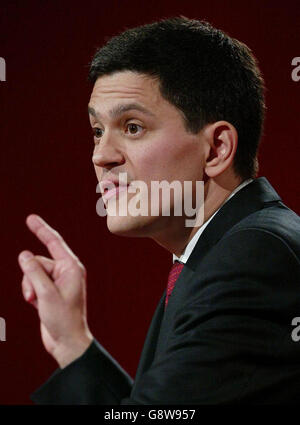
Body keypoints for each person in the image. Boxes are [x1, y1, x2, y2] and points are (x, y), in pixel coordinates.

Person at [18, 17, 300, 404]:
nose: (101, 155)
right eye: (98, 131)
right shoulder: (220, 251)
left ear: (217, 148)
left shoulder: (252, 257)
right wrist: (72, 344)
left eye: (132, 127)